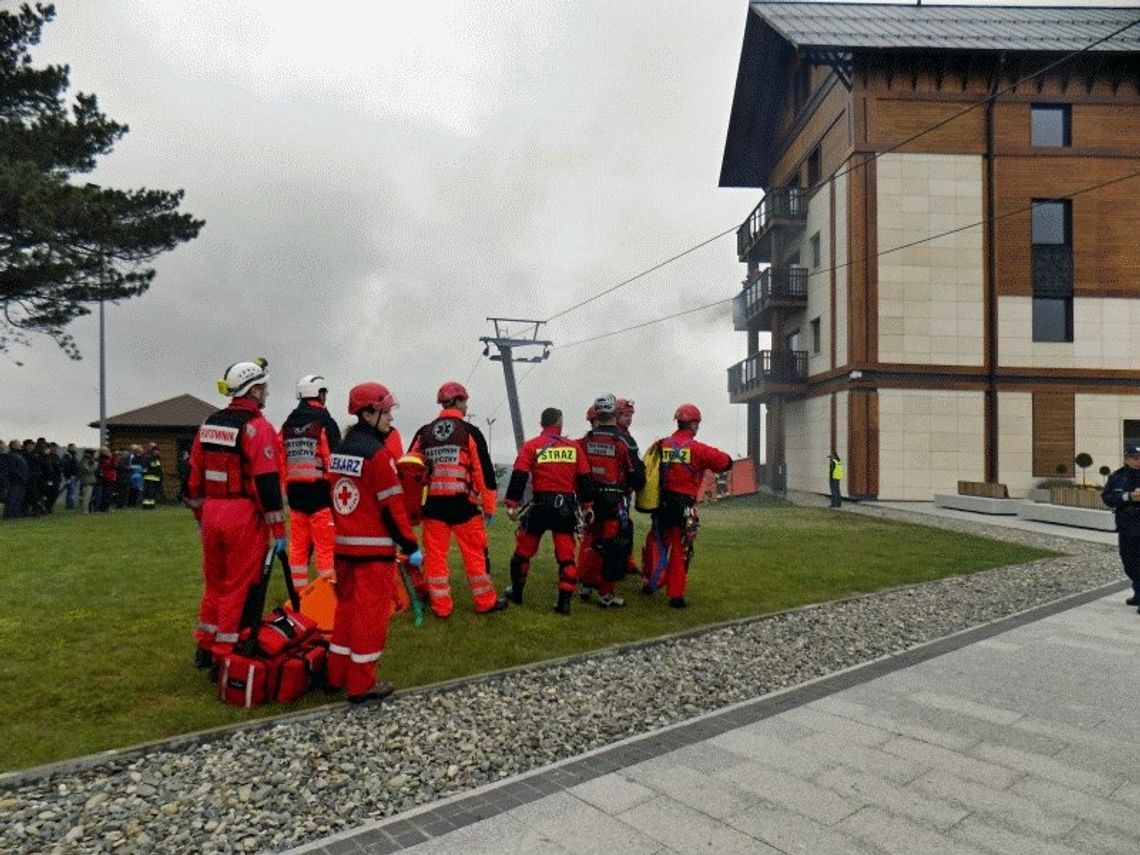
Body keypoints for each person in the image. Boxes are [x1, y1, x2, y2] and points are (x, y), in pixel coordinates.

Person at [185, 358, 286, 668]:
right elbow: (267, 482)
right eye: (264, 387)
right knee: (237, 586)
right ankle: (225, 655)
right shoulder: (258, 427)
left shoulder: (209, 424)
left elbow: (193, 476)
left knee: (214, 582)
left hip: (212, 511)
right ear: (254, 390)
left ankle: (205, 644)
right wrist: (279, 531)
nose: (267, 392)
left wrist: (201, 516)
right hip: (242, 513)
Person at [326, 382, 422, 704]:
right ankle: (361, 685)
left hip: (344, 549)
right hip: (373, 553)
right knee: (370, 619)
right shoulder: (379, 456)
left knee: (345, 613)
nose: (390, 417)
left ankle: (335, 674)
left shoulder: (339, 451)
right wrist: (411, 546)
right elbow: (392, 509)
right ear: (368, 413)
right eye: (386, 411)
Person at [407, 381, 507, 618]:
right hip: (464, 506)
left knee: (435, 560)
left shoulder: (424, 433)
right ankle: (485, 602)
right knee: (475, 556)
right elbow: (484, 473)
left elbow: (409, 469)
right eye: (465, 401)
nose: (466, 405)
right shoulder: (469, 432)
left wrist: (411, 508)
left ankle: (441, 607)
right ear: (458, 401)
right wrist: (490, 507)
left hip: (433, 506)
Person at [503, 407, 593, 615]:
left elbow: (519, 475)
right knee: (566, 556)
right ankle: (564, 603)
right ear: (559, 423)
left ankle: (516, 592)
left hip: (540, 505)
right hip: (565, 508)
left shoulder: (532, 446)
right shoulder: (573, 448)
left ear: (542, 424)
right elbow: (585, 478)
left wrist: (512, 503)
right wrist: (587, 506)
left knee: (523, 551)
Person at [642, 404, 732, 608]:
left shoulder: (661, 445)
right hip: (684, 506)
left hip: (662, 504)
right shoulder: (697, 449)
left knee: (656, 541)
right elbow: (725, 462)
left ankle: (650, 581)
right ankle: (675, 595)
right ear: (693, 424)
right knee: (680, 548)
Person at [577, 394, 645, 608]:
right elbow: (637, 475)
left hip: (589, 500)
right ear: (615, 413)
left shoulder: (585, 440)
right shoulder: (624, 441)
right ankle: (606, 595)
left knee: (590, 540)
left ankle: (585, 584)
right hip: (614, 500)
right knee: (612, 547)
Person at [280, 374, 342, 590]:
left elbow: (282, 461)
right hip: (319, 494)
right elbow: (332, 460)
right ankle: (326, 593)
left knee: (298, 547)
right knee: (325, 547)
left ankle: (299, 596)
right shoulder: (325, 422)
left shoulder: (288, 425)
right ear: (320, 394)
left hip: (296, 495)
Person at [1102, 443, 1140, 611]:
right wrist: (1128, 496)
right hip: (1127, 527)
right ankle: (1138, 593)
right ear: (1127, 458)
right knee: (1130, 563)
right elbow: (1108, 497)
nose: (1137, 461)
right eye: (1134, 458)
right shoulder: (1118, 476)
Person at [3, 440, 28, 520]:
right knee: (12, 499)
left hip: (22, 481)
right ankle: (9, 516)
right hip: (15, 481)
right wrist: (21, 476)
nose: (20, 445)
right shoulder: (11, 455)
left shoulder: (20, 455)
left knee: (19, 499)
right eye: (18, 444)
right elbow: (13, 469)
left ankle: (16, 515)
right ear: (13, 446)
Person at [141, 443, 163, 509]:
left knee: (152, 493)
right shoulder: (148, 457)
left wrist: (160, 477)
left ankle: (152, 505)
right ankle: (146, 506)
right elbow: (145, 468)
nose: (158, 452)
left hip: (155, 478)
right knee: (149, 493)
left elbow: (158, 469)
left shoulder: (156, 459)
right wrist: (144, 475)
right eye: (156, 451)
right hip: (149, 478)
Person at [78, 448, 97, 513]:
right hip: (87, 481)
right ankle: (85, 511)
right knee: (86, 497)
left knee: (87, 496)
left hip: (88, 480)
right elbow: (87, 470)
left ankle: (86, 510)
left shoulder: (86, 460)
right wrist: (95, 465)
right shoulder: (85, 460)